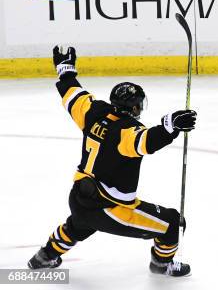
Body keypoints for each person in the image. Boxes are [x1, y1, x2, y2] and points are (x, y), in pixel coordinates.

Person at [27, 46, 197, 277]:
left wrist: (65, 69)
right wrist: (170, 126)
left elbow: (73, 95)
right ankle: (161, 264)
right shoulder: (127, 131)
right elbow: (145, 141)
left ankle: (44, 257)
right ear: (134, 107)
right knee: (173, 223)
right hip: (110, 209)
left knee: (78, 225)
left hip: (79, 196)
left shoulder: (94, 112)